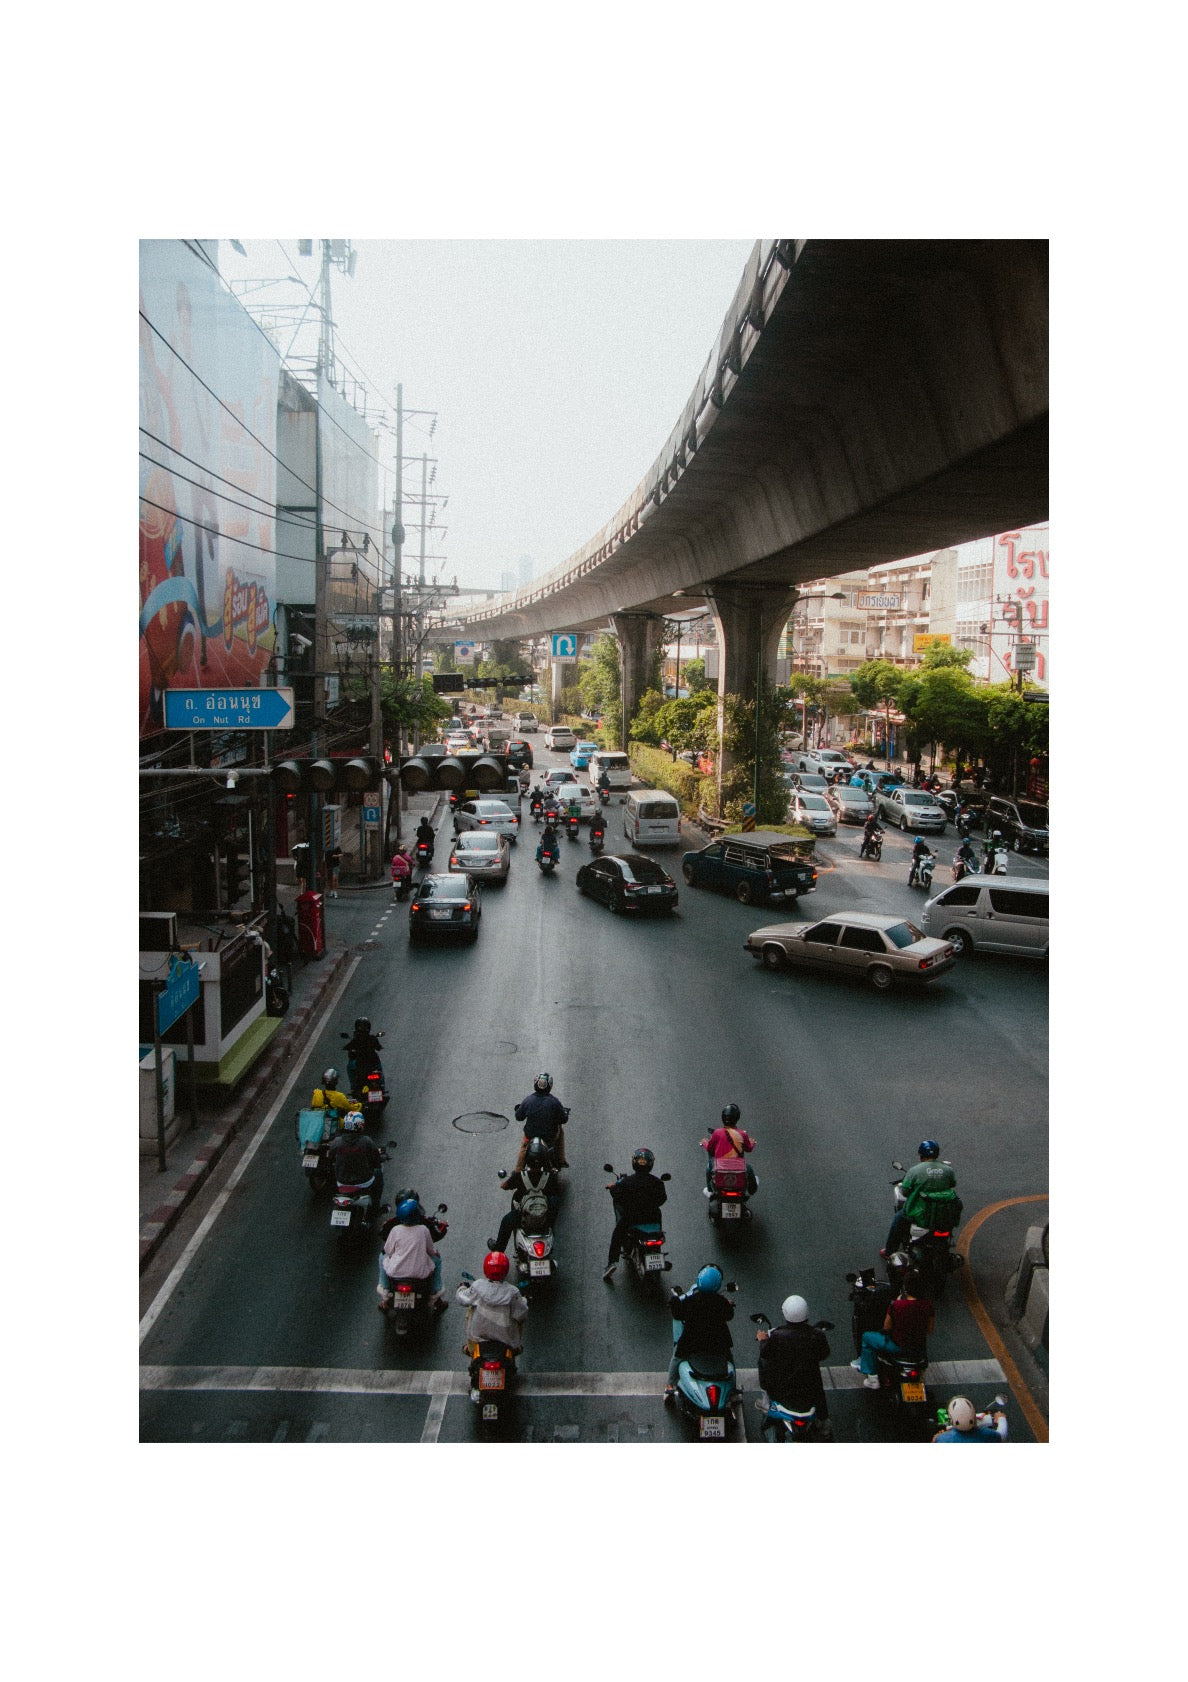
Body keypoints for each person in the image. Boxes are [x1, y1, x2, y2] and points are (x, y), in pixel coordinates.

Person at [850, 1267, 935, 1389]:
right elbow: (930, 1330)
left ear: (906, 1287)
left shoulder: (897, 1305)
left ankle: (873, 1378)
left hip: (896, 1347)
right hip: (918, 1348)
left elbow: (886, 1327)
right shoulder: (928, 1306)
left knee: (867, 1337)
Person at [756, 1295, 831, 1422]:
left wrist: (762, 1340)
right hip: (810, 1390)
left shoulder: (777, 1336)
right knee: (818, 1387)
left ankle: (766, 1400)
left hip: (783, 1391)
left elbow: (765, 1353)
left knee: (762, 1362)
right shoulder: (817, 1335)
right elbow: (824, 1354)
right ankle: (825, 1422)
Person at [665, 1265, 734, 1401]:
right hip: (717, 1342)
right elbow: (729, 1315)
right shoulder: (721, 1302)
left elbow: (678, 1314)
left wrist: (673, 1301)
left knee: (676, 1358)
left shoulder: (691, 1301)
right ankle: (734, 1389)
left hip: (692, 1343)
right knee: (729, 1358)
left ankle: (669, 1386)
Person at [884, 1140, 959, 1256]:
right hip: (943, 1215)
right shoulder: (948, 1170)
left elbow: (905, 1191)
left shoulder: (914, 1171)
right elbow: (952, 1184)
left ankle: (889, 1251)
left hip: (920, 1214)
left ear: (921, 1155)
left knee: (898, 1219)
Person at [603, 1149, 668, 1280]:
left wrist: (612, 1188)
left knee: (617, 1234)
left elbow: (618, 1197)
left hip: (632, 1219)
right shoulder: (657, 1182)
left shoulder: (627, 1182)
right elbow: (662, 1199)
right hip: (653, 1219)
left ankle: (611, 1263)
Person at [489, 1140, 560, 1253]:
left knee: (506, 1221)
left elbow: (505, 1186)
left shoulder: (519, 1176)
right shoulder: (550, 1177)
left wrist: (512, 1177)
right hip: (545, 1219)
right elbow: (556, 1192)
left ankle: (499, 1248)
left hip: (524, 1218)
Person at [377, 1198, 447, 1312]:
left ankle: (384, 1290)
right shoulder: (424, 1230)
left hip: (395, 1273)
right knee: (437, 1260)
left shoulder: (395, 1230)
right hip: (419, 1275)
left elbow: (388, 1251)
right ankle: (436, 1291)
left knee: (381, 1257)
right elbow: (431, 1251)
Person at [456, 1251, 528, 1358]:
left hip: (478, 1336)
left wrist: (461, 1288)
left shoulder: (478, 1286)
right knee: (520, 1317)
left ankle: (471, 1348)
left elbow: (462, 1299)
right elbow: (521, 1313)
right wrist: (524, 1301)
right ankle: (515, 1347)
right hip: (506, 1338)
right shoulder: (513, 1292)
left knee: (470, 1309)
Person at [327, 1110, 384, 1208]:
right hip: (364, 1181)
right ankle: (375, 1205)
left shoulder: (337, 1142)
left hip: (341, 1181)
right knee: (378, 1173)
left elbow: (330, 1157)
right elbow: (376, 1158)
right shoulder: (366, 1141)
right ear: (361, 1125)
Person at [513, 1072, 568, 1170]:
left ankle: (517, 1171)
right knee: (560, 1128)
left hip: (530, 1136)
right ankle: (560, 1160)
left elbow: (519, 1117)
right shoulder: (554, 1102)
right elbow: (563, 1119)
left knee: (524, 1147)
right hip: (549, 1138)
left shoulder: (528, 1100)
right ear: (550, 1086)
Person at [701, 1103, 757, 1197]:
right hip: (738, 1166)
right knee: (749, 1170)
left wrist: (704, 1143)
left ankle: (710, 1190)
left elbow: (710, 1148)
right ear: (737, 1118)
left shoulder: (717, 1133)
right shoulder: (742, 1134)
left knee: (708, 1168)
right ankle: (751, 1190)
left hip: (720, 1166)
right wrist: (752, 1142)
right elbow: (748, 1149)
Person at [932, 1395, 1008, 1442]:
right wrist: (1001, 1419)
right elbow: (1002, 1435)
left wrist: (935, 1439)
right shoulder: (988, 1434)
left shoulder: (942, 1439)